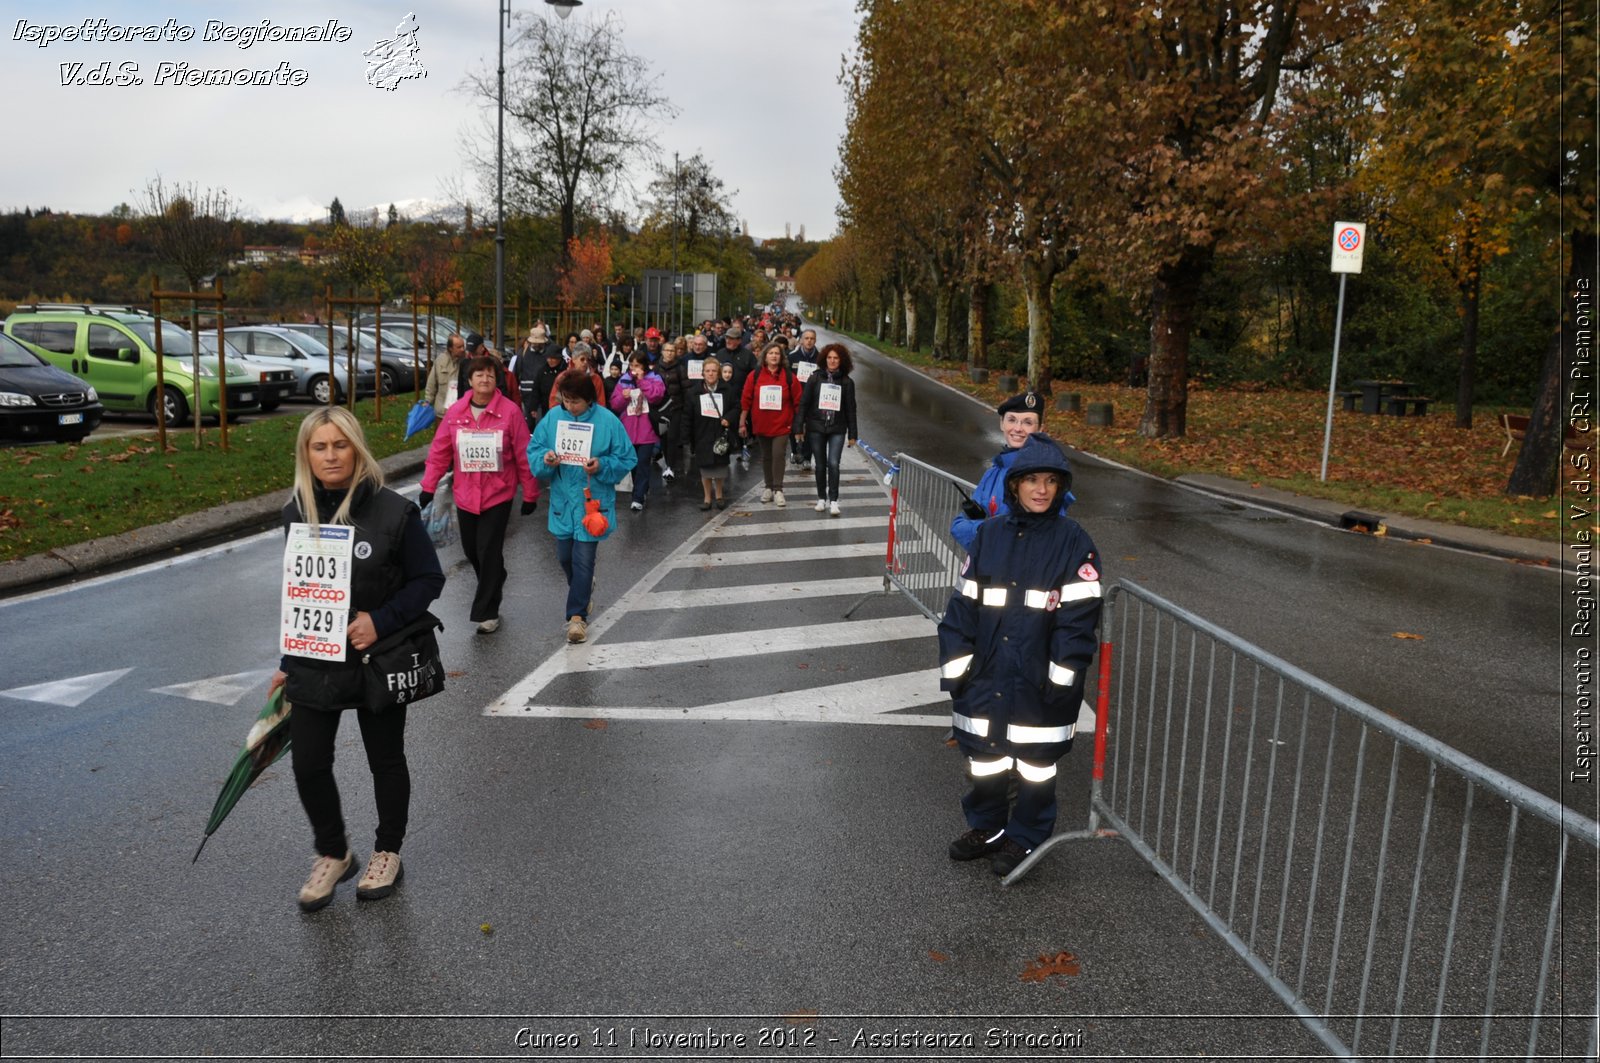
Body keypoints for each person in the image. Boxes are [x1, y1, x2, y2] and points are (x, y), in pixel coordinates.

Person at [269, 406, 445, 911]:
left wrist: (380, 621)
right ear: (306, 454)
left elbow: (429, 580)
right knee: (307, 764)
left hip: (378, 659)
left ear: (356, 448)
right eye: (319, 447)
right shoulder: (295, 513)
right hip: (316, 659)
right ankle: (332, 852)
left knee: (384, 759)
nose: (330, 455)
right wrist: (288, 658)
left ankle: (387, 850)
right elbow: (302, 594)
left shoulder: (394, 512)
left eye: (339, 445)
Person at [936, 433, 1102, 876]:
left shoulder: (1073, 542)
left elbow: (1079, 620)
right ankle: (987, 828)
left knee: (1034, 767)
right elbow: (962, 609)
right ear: (1014, 486)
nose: (1041, 490)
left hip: (1039, 680)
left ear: (1060, 486)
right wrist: (957, 670)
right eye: (1032, 480)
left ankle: (1027, 837)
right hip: (986, 675)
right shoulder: (989, 536)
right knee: (984, 758)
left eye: (1050, 481)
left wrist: (1061, 678)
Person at [419, 355, 540, 634]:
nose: (484, 379)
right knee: (473, 551)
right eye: (478, 375)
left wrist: (530, 494)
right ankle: (495, 575)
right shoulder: (456, 412)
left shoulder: (509, 412)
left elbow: (523, 455)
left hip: (498, 494)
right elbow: (439, 452)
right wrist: (428, 487)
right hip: (465, 495)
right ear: (469, 380)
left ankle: (488, 611)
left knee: (488, 549)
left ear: (496, 379)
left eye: (489, 374)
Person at [527, 372, 636, 644]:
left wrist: (602, 465)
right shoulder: (553, 418)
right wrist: (546, 458)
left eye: (575, 402)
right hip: (563, 502)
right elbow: (535, 449)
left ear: (589, 400)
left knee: (584, 558)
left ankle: (576, 618)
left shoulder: (608, 421)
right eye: (566, 400)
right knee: (565, 557)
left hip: (592, 503)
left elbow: (627, 456)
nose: (570, 406)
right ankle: (584, 588)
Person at [949, 391, 1072, 552]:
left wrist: (986, 532)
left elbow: (1043, 536)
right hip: (989, 569)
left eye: (1028, 422)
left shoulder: (1048, 474)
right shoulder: (994, 471)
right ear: (1002, 423)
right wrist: (986, 531)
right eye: (1012, 420)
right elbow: (959, 526)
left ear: (1040, 428)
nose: (1018, 429)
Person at [797, 343, 858, 516]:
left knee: (833, 463)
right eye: (829, 357)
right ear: (824, 359)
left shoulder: (847, 382)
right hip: (816, 427)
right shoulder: (814, 378)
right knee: (820, 464)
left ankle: (834, 500)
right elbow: (804, 404)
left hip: (837, 428)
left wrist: (853, 434)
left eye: (836, 358)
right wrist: (799, 426)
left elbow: (851, 409)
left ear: (842, 360)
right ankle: (821, 498)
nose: (832, 361)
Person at [740, 340, 803, 507]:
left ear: (781, 357)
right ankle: (768, 487)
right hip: (761, 423)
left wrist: (800, 425)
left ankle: (778, 489)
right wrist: (742, 423)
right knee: (766, 456)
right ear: (765, 357)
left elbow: (798, 402)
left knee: (778, 454)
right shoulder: (754, 376)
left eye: (777, 353)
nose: (774, 356)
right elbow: (746, 400)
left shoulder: (789, 377)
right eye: (771, 353)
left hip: (782, 425)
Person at [608, 352, 666, 511]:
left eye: (638, 366)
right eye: (632, 365)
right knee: (633, 464)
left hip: (647, 430)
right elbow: (615, 404)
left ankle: (638, 497)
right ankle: (641, 489)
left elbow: (656, 396)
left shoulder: (654, 378)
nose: (634, 369)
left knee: (643, 463)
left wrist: (641, 381)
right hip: (628, 429)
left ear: (644, 366)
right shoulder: (624, 380)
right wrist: (624, 397)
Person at [688, 355, 738, 511]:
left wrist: (728, 419)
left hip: (720, 433)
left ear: (719, 373)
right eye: (707, 371)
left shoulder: (727, 390)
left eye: (714, 371)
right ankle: (707, 498)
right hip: (702, 433)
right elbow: (687, 415)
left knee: (720, 467)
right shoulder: (694, 392)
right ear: (703, 373)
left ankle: (719, 495)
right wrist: (686, 437)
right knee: (705, 468)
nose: (710, 374)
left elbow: (737, 407)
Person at [654, 338, 691, 481]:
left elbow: (686, 389)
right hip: (662, 409)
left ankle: (671, 466)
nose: (669, 353)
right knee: (663, 437)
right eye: (667, 350)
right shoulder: (657, 368)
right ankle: (665, 463)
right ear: (662, 352)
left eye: (672, 351)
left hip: (676, 408)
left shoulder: (680, 368)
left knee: (672, 437)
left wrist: (686, 407)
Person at [423, 333, 466, 418]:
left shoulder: (467, 361)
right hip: (442, 411)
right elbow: (432, 383)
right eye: (459, 347)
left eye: (463, 346)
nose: (462, 349)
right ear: (450, 348)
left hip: (461, 411)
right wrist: (428, 401)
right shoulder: (440, 361)